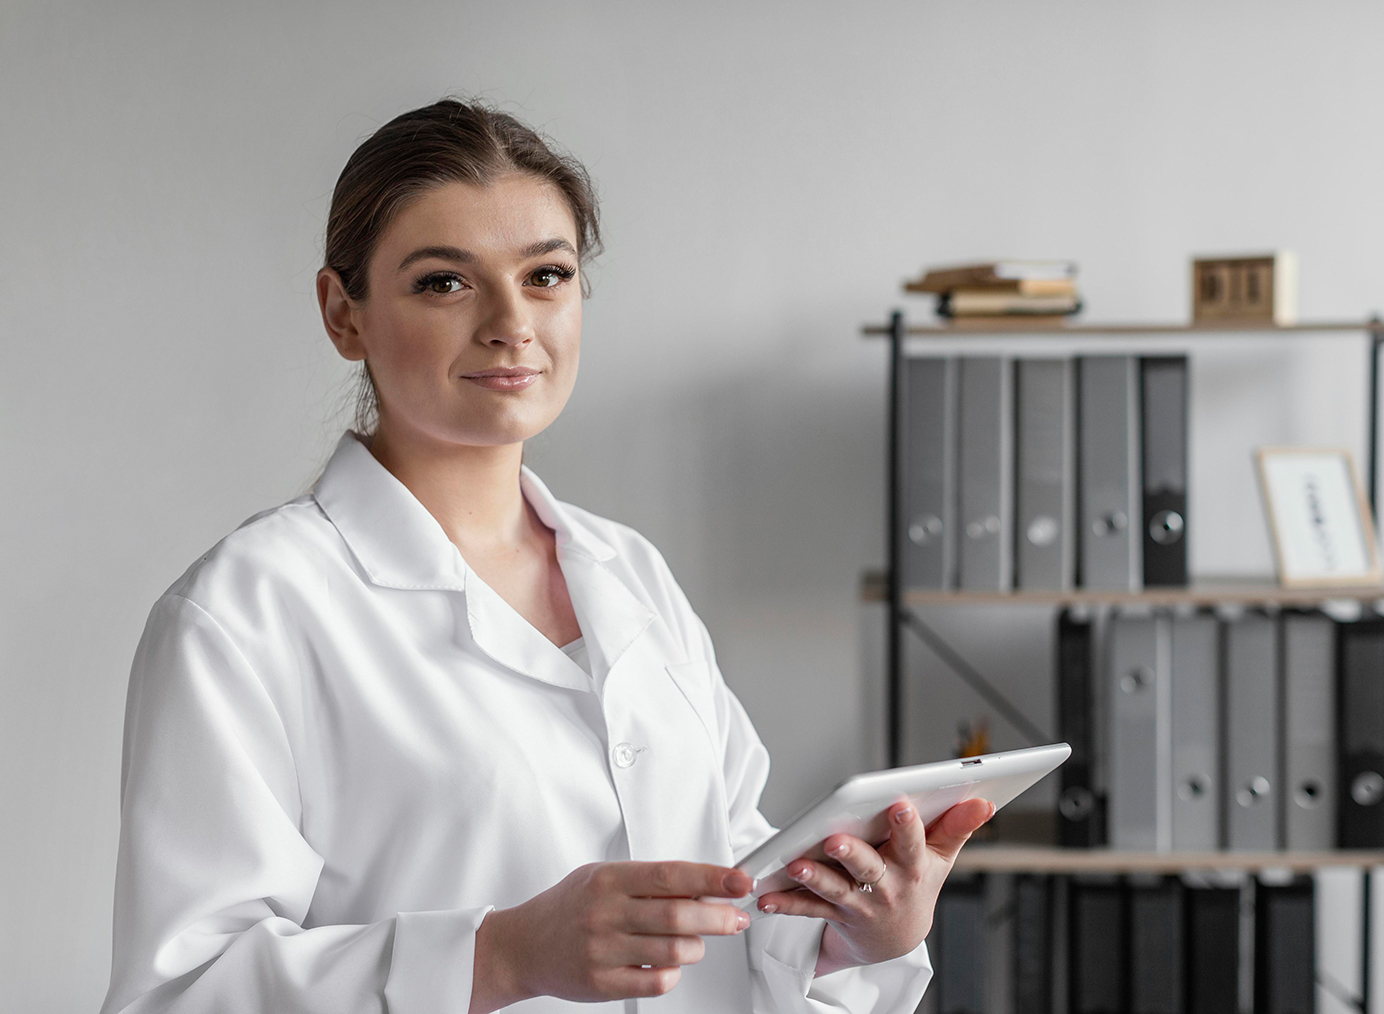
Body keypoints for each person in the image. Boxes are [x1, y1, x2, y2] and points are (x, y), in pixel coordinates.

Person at [99, 98, 994, 1014]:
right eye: (444, 282)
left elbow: (734, 890)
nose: (510, 323)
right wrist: (498, 957)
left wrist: (859, 931)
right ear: (344, 315)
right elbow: (181, 993)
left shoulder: (629, 573)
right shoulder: (246, 611)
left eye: (546, 275)